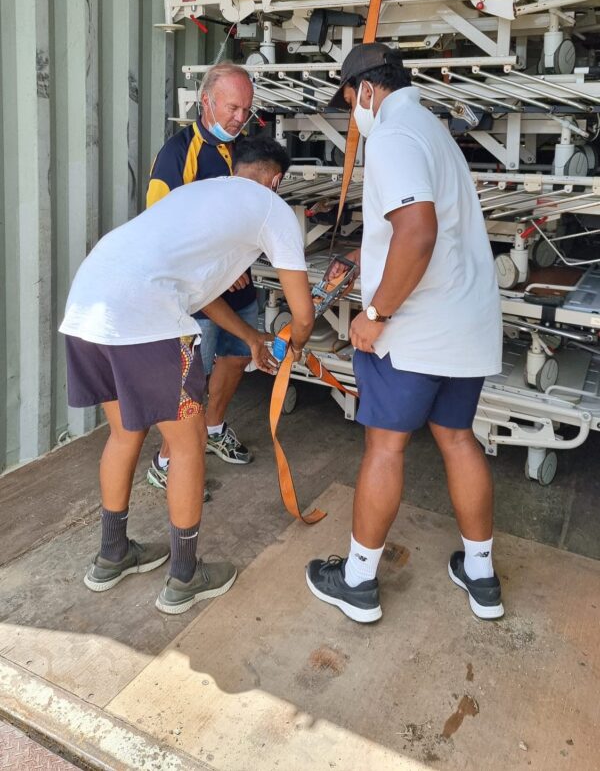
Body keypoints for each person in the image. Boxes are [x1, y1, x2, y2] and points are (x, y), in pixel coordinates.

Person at [60, 137, 314, 614]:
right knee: (187, 444)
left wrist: (253, 340)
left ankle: (112, 555)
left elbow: (197, 294)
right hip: (144, 317)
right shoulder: (271, 209)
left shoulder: (197, 195)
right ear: (275, 179)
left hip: (87, 306)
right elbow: (303, 313)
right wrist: (293, 346)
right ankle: (185, 576)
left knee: (123, 433)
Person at [305, 43, 503, 624]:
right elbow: (422, 234)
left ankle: (359, 581)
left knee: (386, 446)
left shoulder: (391, 135)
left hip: (414, 330)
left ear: (367, 90)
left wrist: (378, 315)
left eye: (349, 103)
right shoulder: (434, 130)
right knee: (458, 438)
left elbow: (416, 233)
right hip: (463, 323)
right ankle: (481, 574)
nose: (353, 118)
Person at [145, 62, 258, 495]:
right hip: (197, 294)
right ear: (206, 101)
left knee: (237, 356)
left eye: (246, 110)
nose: (239, 118)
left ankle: (213, 429)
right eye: (233, 108)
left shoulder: (246, 150)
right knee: (194, 378)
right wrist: (214, 268)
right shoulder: (177, 154)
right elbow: (161, 233)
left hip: (240, 284)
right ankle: (167, 461)